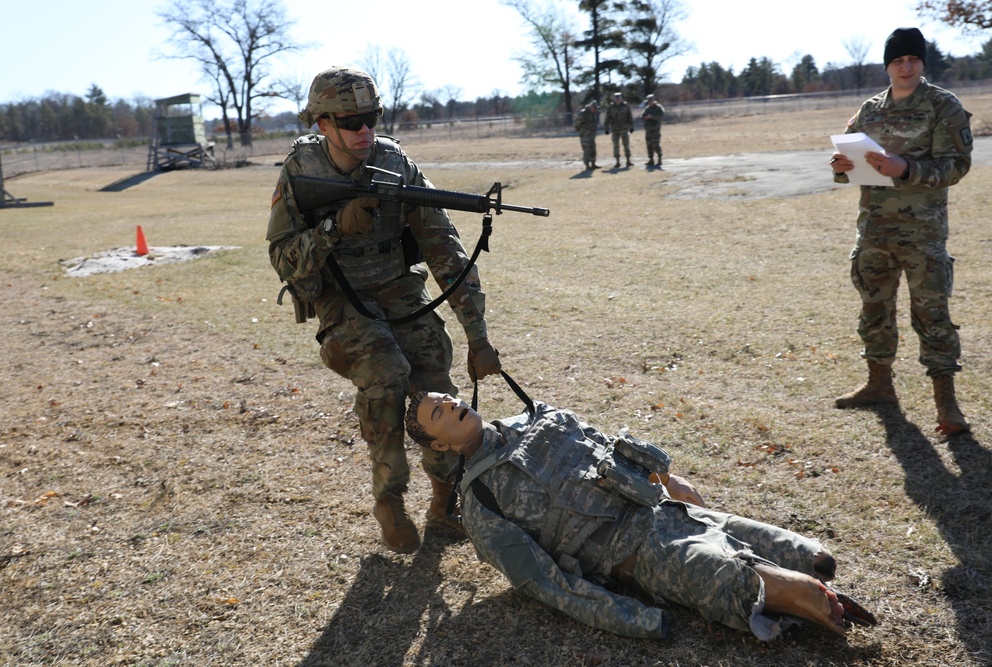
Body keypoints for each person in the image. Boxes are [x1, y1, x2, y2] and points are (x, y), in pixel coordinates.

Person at [405, 391, 877, 640]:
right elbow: (545, 582)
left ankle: (802, 578)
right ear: (441, 445)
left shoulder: (537, 416)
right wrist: (633, 617)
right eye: (438, 413)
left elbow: (608, 446)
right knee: (727, 575)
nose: (452, 404)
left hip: (663, 509)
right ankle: (790, 593)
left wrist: (670, 481)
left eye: (447, 397)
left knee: (814, 555)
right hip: (631, 552)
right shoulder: (481, 504)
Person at [265, 67, 502, 555]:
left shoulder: (396, 161)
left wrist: (478, 338)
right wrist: (335, 228)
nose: (364, 130)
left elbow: (444, 250)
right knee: (387, 373)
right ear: (323, 123)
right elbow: (282, 258)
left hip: (397, 288)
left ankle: (445, 500)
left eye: (372, 116)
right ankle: (389, 501)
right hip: (340, 294)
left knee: (435, 377)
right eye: (351, 121)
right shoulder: (302, 170)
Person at [829, 27, 974, 436]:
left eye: (912, 60)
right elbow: (854, 157)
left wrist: (905, 168)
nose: (905, 67)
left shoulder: (943, 106)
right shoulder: (870, 108)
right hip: (874, 229)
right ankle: (879, 386)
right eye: (897, 61)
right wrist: (841, 168)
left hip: (923, 233)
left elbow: (957, 166)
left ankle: (947, 402)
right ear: (888, 66)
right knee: (874, 310)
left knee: (932, 315)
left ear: (921, 63)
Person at [603, 92, 634, 168]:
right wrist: (606, 128)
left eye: (619, 98)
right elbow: (607, 118)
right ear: (614, 99)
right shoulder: (611, 107)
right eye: (616, 99)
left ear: (621, 99)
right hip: (615, 129)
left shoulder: (626, 106)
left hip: (624, 128)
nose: (617, 100)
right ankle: (617, 161)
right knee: (616, 146)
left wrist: (631, 127)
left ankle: (628, 161)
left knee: (626, 145)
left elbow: (630, 117)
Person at [573, 100, 600, 170]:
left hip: (591, 135)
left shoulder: (593, 113)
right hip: (585, 135)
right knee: (586, 150)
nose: (595, 110)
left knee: (593, 149)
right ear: (591, 107)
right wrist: (581, 131)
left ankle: (593, 163)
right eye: (595, 108)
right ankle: (587, 165)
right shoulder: (584, 113)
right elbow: (577, 123)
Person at [641, 94, 665, 169]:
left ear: (653, 100)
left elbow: (661, 116)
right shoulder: (647, 108)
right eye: (648, 101)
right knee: (649, 145)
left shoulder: (658, 108)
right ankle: (651, 159)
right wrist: (644, 117)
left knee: (655, 144)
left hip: (655, 129)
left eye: (650, 101)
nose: (649, 102)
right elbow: (642, 116)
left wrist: (652, 116)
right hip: (648, 129)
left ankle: (659, 158)